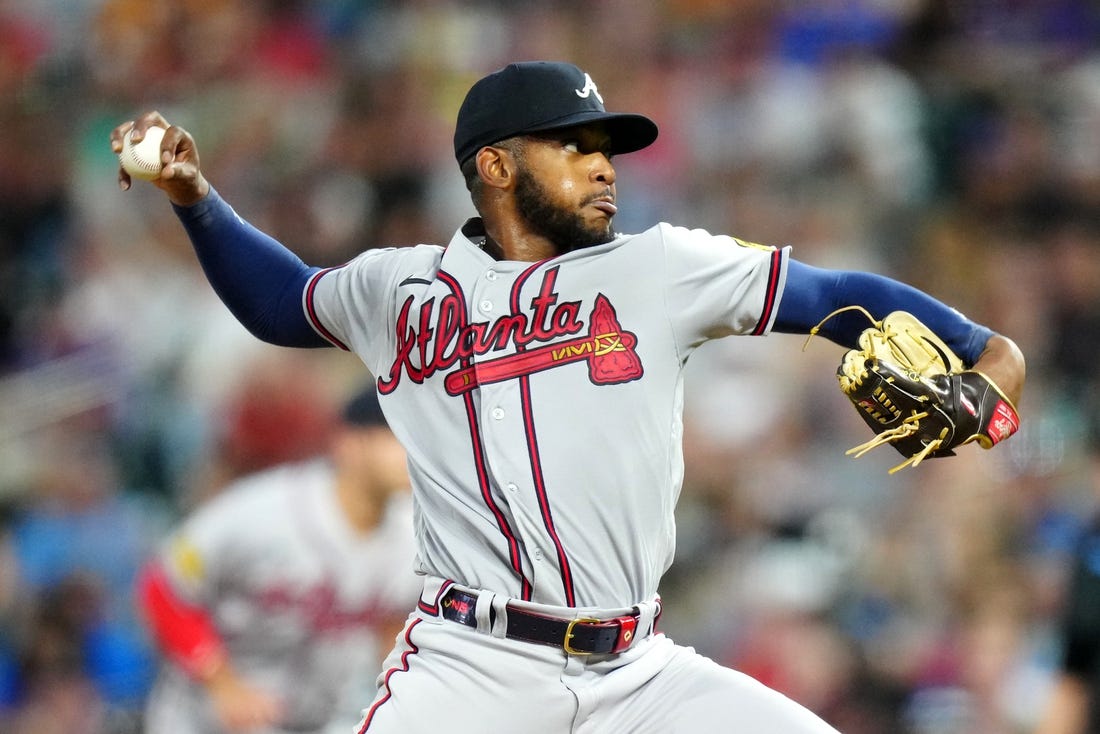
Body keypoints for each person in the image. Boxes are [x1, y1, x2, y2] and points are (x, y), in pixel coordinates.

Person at [112, 61, 1025, 733]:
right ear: (498, 167)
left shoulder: (661, 267)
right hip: (471, 667)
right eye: (573, 145)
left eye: (606, 149)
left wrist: (988, 355)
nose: (603, 165)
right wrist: (195, 196)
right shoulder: (402, 291)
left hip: (640, 671)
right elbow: (280, 303)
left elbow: (831, 298)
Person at [135, 385, 418, 734]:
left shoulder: (414, 530)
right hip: (206, 719)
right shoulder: (264, 510)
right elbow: (162, 584)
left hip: (321, 719)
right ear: (349, 444)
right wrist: (221, 683)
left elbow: (392, 626)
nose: (416, 450)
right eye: (397, 437)